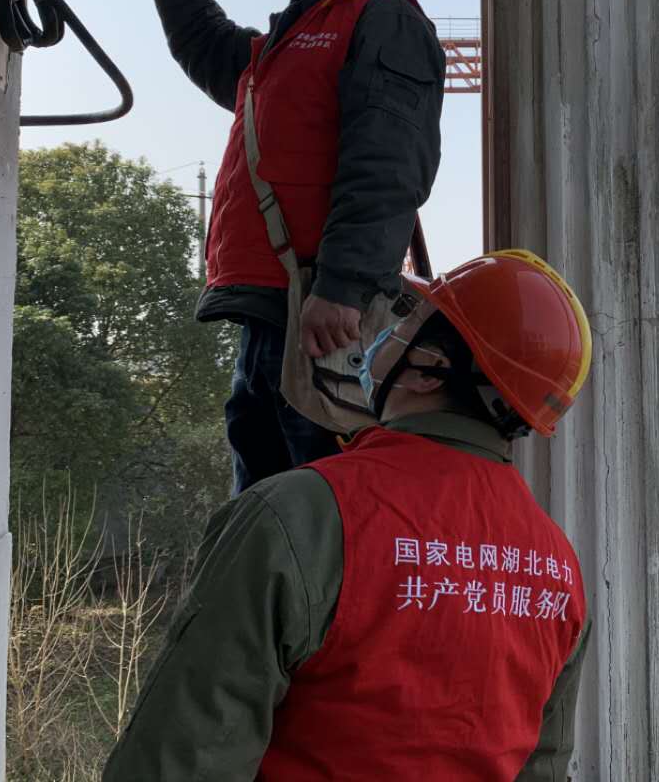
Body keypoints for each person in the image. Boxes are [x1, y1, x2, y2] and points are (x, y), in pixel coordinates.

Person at [102, 250, 593, 780]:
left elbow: (181, 758)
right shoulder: (558, 566)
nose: (383, 333)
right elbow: (542, 766)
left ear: (430, 369)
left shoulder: (296, 515)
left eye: (406, 324)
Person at [141, 0, 446, 493]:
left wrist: (344, 285)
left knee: (315, 513)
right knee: (263, 509)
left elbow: (390, 160)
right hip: (275, 310)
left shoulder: (382, 17)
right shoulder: (280, 49)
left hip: (321, 312)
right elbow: (200, 38)